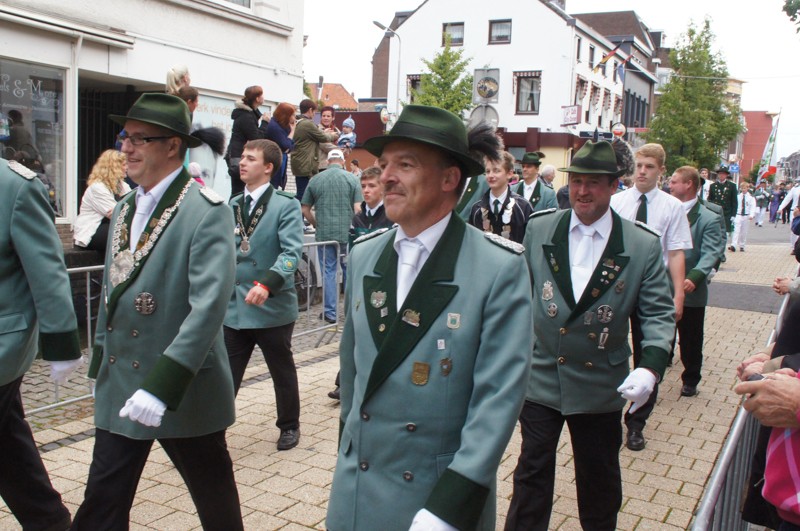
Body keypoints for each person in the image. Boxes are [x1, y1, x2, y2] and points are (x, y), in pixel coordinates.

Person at [326, 105, 533, 531]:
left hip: (435, 496)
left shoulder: (497, 268)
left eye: (405, 164)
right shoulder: (365, 255)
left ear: (449, 179)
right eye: (384, 164)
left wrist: (451, 506)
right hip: (358, 488)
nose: (386, 176)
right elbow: (353, 369)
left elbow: (497, 399)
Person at [72, 93, 242, 529]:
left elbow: (208, 308)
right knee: (102, 501)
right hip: (122, 380)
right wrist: (100, 364)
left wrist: (162, 387)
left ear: (172, 146)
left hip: (180, 385)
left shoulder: (206, 211)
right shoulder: (124, 208)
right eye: (124, 137)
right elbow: (113, 292)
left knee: (215, 501)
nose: (125, 148)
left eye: (138, 139)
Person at [505, 140, 674, 531]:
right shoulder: (541, 227)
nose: (582, 191)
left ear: (614, 186)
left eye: (593, 182)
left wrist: (650, 368)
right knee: (531, 471)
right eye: (577, 181)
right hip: (542, 373)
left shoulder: (640, 244)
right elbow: (519, 295)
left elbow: (658, 314)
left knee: (598, 478)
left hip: (600, 380)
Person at [0, 158, 83, 530]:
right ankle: (51, 522)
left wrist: (61, 345)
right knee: (10, 450)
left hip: (4, 346)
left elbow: (47, 271)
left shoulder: (15, 186)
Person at [609, 142, 691, 451]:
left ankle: (636, 422)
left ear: (661, 171)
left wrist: (678, 295)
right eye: (639, 165)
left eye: (650, 167)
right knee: (610, 347)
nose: (642, 172)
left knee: (649, 354)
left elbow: (676, 252)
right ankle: (607, 410)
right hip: (617, 286)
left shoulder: (672, 207)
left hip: (652, 289)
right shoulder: (616, 202)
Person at [224, 139, 304, 451]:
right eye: (242, 157)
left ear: (268, 167)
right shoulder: (233, 204)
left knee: (281, 371)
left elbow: (291, 253)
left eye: (250, 158)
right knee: (226, 375)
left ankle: (289, 425)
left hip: (271, 305)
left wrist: (267, 284)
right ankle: (214, 428)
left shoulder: (285, 205)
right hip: (236, 307)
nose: (241, 163)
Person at [328, 166, 395, 401]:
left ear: (383, 188)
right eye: (363, 186)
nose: (366, 190)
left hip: (383, 283)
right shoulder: (358, 218)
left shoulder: (391, 216)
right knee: (355, 330)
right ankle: (344, 382)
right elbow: (352, 250)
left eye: (372, 186)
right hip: (360, 281)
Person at [668, 166, 725, 397]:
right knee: (660, 332)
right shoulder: (665, 210)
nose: (669, 185)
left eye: (674, 181)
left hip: (690, 289)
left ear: (688, 184)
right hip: (662, 285)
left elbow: (711, 252)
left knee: (690, 338)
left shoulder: (708, 217)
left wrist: (695, 276)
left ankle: (691, 378)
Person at [301, 148, 362, 324]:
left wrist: (315, 223)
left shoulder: (315, 180)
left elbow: (305, 209)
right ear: (343, 161)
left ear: (327, 162)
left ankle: (330, 313)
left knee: (329, 271)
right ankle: (352, 311)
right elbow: (358, 209)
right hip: (346, 233)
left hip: (325, 235)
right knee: (349, 271)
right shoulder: (353, 179)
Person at [468, 151, 534, 244]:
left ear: (509, 174)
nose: (490, 175)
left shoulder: (523, 207)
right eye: (488, 171)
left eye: (496, 171)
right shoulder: (477, 209)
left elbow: (530, 242)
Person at [73, 149, 131, 252]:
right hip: (93, 231)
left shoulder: (123, 186)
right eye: (124, 165)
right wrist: (124, 210)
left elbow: (129, 208)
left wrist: (123, 210)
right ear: (114, 167)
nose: (127, 167)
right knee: (123, 233)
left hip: (110, 225)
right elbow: (118, 215)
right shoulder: (97, 187)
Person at [291, 99, 338, 203]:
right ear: (310, 110)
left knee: (302, 193)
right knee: (303, 195)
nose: (314, 115)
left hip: (300, 162)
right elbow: (323, 138)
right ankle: (298, 213)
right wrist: (333, 135)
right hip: (305, 164)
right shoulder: (307, 124)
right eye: (315, 112)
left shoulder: (299, 121)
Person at [227, 85, 269, 197]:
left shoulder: (249, 114)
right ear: (257, 98)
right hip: (238, 155)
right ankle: (235, 208)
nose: (263, 97)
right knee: (238, 190)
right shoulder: (246, 116)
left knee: (242, 189)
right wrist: (265, 123)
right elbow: (256, 138)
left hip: (238, 154)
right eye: (262, 95)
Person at [265, 102, 297, 190]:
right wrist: (292, 131)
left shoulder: (283, 127)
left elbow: (291, 146)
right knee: (273, 186)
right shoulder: (274, 126)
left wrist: (288, 145)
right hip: (274, 160)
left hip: (282, 158)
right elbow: (286, 145)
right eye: (292, 115)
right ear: (285, 115)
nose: (294, 118)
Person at [707, 165, 738, 239]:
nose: (721, 175)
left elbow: (734, 201)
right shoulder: (713, 186)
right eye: (720, 173)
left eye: (723, 174)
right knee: (715, 232)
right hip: (715, 212)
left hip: (727, 213)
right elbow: (710, 199)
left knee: (725, 234)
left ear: (726, 175)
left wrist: (733, 215)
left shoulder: (732, 186)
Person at [730, 182, 756, 252]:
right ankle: (733, 245)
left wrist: (751, 215)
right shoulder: (738, 197)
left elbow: (753, 207)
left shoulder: (751, 198)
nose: (743, 190)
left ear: (747, 188)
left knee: (744, 232)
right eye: (742, 188)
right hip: (738, 214)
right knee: (736, 230)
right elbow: (734, 205)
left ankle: (742, 245)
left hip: (746, 215)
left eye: (744, 188)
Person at [317, 106, 341, 173]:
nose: (325, 118)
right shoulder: (317, 130)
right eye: (323, 116)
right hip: (323, 166)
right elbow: (324, 145)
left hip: (337, 164)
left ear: (333, 118)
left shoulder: (337, 130)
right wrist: (339, 150)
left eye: (328, 116)